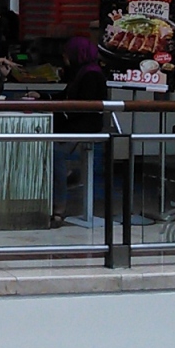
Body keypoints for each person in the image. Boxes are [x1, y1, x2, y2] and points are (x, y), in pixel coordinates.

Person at [48, 35, 106, 228]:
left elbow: (82, 107)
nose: (64, 57)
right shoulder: (83, 72)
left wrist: (61, 113)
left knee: (55, 153)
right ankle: (66, 178)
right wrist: (45, 97)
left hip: (84, 125)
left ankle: (58, 208)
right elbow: (66, 96)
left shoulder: (90, 75)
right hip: (79, 123)